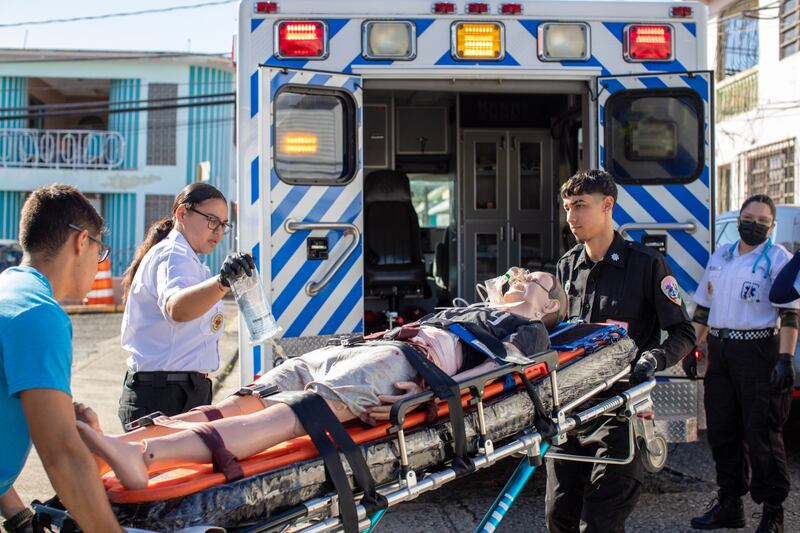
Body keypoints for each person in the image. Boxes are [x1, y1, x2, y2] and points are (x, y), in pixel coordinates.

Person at [77, 270, 566, 490]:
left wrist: (424, 400)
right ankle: (120, 442)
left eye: (538, 279)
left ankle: (146, 459)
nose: (523, 277)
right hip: (367, 348)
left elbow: (490, 376)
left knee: (292, 416)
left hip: (409, 364)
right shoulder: (475, 306)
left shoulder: (529, 330)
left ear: (550, 305)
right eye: (520, 272)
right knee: (252, 395)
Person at [548, 170, 696, 533]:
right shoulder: (567, 268)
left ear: (608, 205)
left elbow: (683, 332)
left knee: (599, 524)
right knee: (558, 518)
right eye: (567, 207)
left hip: (620, 415)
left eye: (580, 206)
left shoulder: (646, 264)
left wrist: (654, 360)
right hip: (569, 412)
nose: (571, 217)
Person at [0, 185, 123, 532]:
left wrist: (19, 517)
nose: (99, 268)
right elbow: (63, 455)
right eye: (100, 253)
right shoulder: (39, 313)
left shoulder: (9, 291)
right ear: (81, 241)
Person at [688, 194, 797, 533]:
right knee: (722, 430)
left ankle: (772, 512)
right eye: (748, 217)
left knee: (762, 433)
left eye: (762, 221)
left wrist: (785, 358)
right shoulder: (721, 256)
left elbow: (791, 313)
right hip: (721, 352)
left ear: (772, 226)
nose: (754, 224)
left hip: (759, 352)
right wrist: (693, 348)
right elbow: (704, 308)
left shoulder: (779, 259)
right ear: (738, 220)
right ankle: (729, 504)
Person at [118, 182, 256, 429]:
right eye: (211, 220)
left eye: (223, 224)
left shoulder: (190, 261)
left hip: (179, 393)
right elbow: (177, 309)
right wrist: (223, 282)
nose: (218, 231)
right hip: (164, 397)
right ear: (182, 214)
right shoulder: (173, 255)